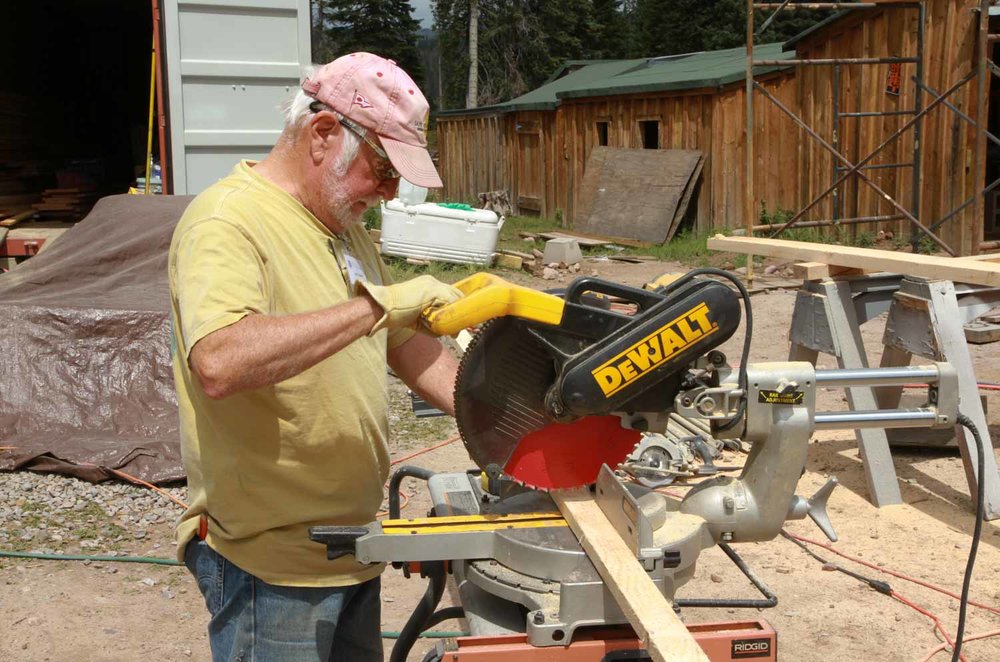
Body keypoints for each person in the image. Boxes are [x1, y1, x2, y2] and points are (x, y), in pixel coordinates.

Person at [168, 52, 463, 662]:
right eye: (382, 169)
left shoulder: (341, 226)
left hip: (350, 546)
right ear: (324, 134)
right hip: (270, 566)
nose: (387, 192)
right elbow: (220, 361)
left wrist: (508, 416)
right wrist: (376, 306)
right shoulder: (228, 221)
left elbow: (403, 344)